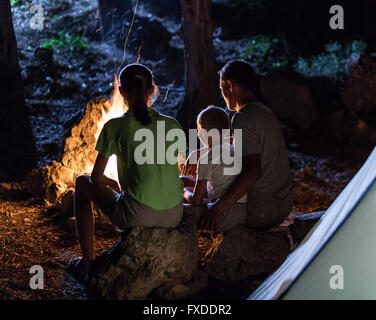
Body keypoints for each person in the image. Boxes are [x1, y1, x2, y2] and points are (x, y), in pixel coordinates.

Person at [69, 63, 184, 281]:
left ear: (121, 92)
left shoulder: (115, 127)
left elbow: (95, 177)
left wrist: (112, 184)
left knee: (82, 183)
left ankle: (87, 263)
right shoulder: (173, 124)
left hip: (137, 215)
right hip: (174, 214)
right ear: (152, 90)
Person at [200, 59, 292, 231]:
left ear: (230, 85)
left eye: (222, 89)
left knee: (197, 212)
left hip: (260, 210)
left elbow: (253, 171)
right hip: (283, 205)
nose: (223, 95)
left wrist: (220, 207)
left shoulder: (242, 117)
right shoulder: (266, 112)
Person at [181, 106, 248, 232]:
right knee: (183, 180)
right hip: (242, 212)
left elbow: (196, 202)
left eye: (199, 131)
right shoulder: (233, 149)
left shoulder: (207, 159)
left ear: (203, 134)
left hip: (221, 216)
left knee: (179, 210)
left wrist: (185, 192)